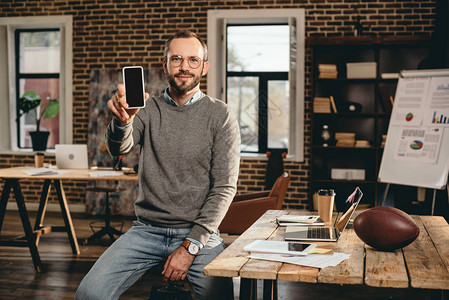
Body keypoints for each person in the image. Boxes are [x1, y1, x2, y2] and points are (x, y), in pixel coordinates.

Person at [75, 31, 240, 300]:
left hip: (199, 234)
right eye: (176, 59)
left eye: (193, 60)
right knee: (88, 294)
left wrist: (190, 247)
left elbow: (224, 188)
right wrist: (123, 121)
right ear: (165, 65)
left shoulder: (220, 114)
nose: (184, 66)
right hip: (146, 231)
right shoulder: (147, 108)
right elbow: (119, 149)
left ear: (204, 67)